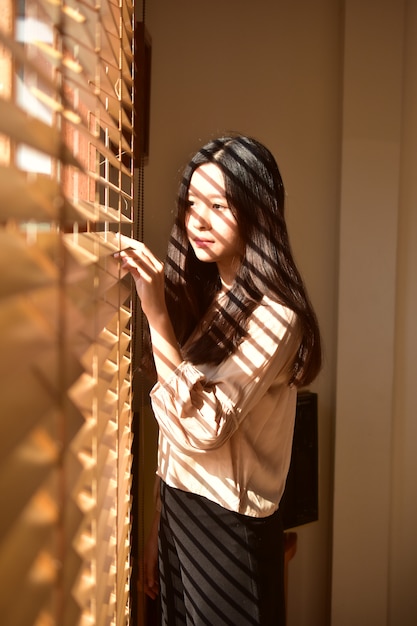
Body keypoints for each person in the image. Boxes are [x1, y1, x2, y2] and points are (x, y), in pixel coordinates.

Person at [119, 134, 321, 625]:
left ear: (257, 211)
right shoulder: (209, 297)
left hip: (229, 528)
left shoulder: (276, 317)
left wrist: (156, 314)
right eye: (192, 203)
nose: (198, 220)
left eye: (218, 204)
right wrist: (157, 527)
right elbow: (177, 436)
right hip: (179, 510)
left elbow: (205, 425)